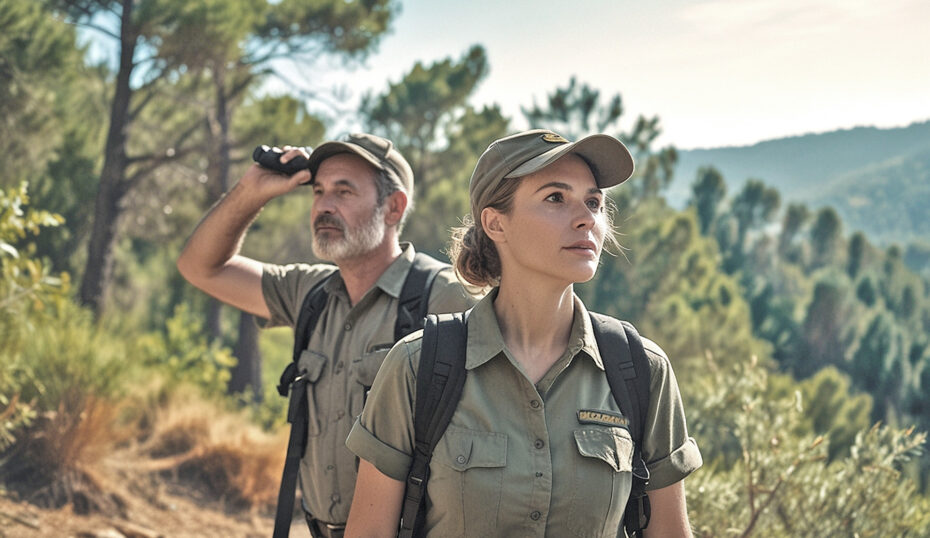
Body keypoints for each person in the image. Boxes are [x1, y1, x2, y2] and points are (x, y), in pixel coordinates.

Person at [343, 129, 703, 537]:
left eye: (594, 202)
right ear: (496, 223)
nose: (586, 217)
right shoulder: (418, 366)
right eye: (555, 198)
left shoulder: (641, 369)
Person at [176, 133, 478, 537]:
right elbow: (201, 267)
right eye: (318, 192)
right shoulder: (310, 293)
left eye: (344, 191)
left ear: (393, 207)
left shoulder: (445, 297)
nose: (324, 206)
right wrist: (253, 191)